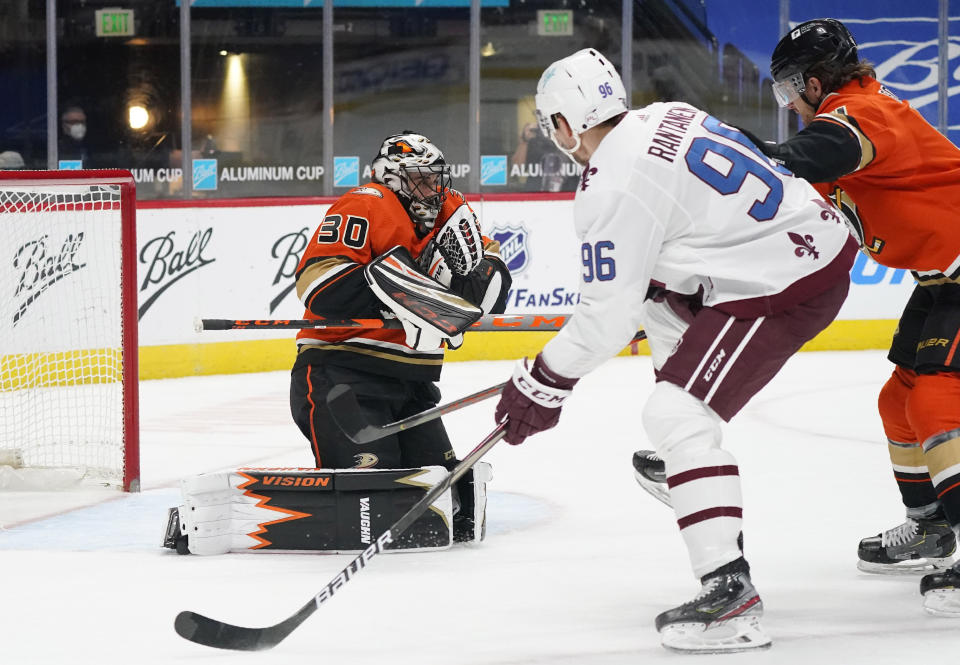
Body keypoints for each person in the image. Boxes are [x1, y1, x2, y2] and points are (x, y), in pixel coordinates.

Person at [492, 48, 858, 653]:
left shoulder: (611, 186)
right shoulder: (666, 114)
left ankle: (728, 594)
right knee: (660, 310)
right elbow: (675, 241)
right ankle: (691, 466)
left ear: (563, 124)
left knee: (675, 412)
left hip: (782, 282)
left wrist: (541, 383)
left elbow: (605, 319)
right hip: (804, 241)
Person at [289, 130, 511, 543]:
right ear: (391, 176)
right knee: (376, 499)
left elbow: (490, 280)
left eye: (435, 178)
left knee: (446, 495)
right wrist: (399, 292)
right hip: (343, 377)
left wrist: (473, 282)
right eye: (420, 178)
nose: (433, 187)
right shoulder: (365, 204)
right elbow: (317, 285)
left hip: (412, 386)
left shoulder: (451, 209)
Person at [510, 121, 579, 192]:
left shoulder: (570, 144)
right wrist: (525, 140)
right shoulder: (533, 143)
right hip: (535, 194)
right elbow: (517, 168)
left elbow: (584, 161)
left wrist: (567, 139)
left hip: (568, 194)